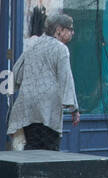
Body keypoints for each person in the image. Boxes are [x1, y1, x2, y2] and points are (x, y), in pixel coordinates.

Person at [5, 12, 79, 150]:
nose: (72, 32)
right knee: (49, 151)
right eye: (70, 29)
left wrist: (13, 88)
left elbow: (17, 72)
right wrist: (74, 108)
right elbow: (66, 79)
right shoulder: (61, 49)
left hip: (27, 106)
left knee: (32, 148)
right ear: (59, 30)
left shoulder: (33, 44)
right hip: (48, 108)